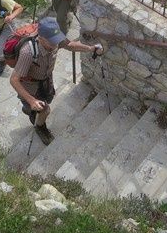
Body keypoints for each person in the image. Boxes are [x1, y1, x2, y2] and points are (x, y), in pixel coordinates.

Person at [10, 17, 103, 145]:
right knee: (45, 110)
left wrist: (91, 48)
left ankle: (31, 111)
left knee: (48, 98)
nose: (55, 45)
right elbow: (14, 79)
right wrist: (31, 101)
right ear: (41, 38)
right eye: (51, 42)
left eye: (56, 41)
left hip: (46, 81)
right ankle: (40, 127)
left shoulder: (55, 40)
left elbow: (70, 45)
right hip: (30, 88)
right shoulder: (28, 52)